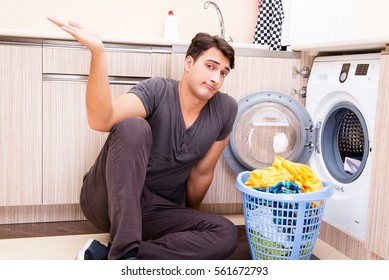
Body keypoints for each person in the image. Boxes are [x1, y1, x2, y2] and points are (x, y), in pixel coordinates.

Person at [47, 17, 238, 260]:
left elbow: (201, 173)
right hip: (105, 199)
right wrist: (98, 53)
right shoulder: (157, 90)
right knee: (132, 126)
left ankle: (109, 255)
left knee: (226, 233)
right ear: (189, 63)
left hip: (154, 210)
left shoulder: (225, 109)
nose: (216, 78)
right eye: (210, 66)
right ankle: (124, 252)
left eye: (223, 73)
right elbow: (101, 120)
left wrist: (188, 221)